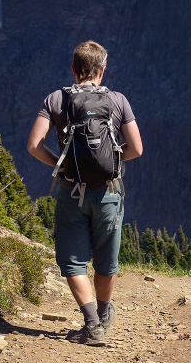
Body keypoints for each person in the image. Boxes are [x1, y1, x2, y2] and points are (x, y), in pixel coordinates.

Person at [27, 40, 143, 346]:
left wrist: (62, 165)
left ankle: (91, 324)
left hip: (71, 192)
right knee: (106, 260)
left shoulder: (56, 99)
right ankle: (103, 316)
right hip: (108, 193)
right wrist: (113, 161)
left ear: (74, 69)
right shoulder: (118, 101)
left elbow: (34, 145)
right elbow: (137, 148)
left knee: (74, 262)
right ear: (102, 70)